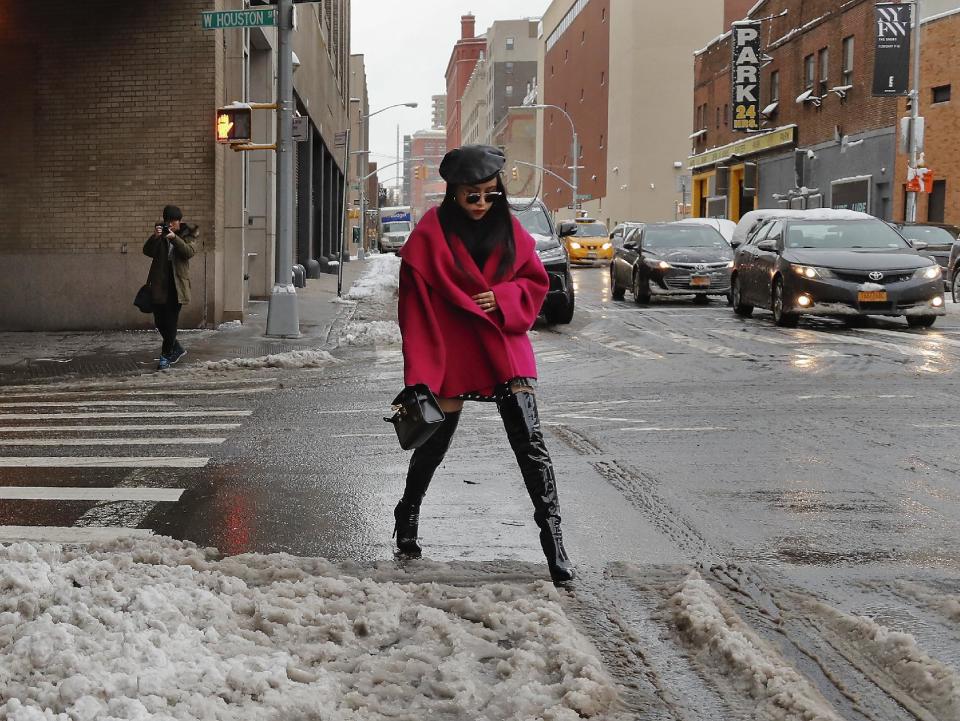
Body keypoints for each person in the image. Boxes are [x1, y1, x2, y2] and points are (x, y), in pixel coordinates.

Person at [393, 144, 575, 583]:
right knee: (433, 444)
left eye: (491, 195)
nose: (481, 204)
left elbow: (535, 282)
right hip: (451, 348)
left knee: (531, 444)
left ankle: (554, 543)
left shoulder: (510, 230)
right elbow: (414, 315)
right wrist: (420, 377)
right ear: (453, 193)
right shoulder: (429, 237)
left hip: (501, 343)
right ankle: (408, 511)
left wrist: (504, 298)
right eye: (472, 195)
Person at [143, 205, 196, 370]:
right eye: (168, 222)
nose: (171, 225)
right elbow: (147, 251)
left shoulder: (188, 233)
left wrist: (174, 238)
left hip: (177, 286)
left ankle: (165, 356)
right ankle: (177, 348)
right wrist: (155, 237)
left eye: (174, 222)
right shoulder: (161, 235)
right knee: (160, 321)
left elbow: (189, 252)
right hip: (160, 285)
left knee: (171, 322)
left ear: (180, 221)